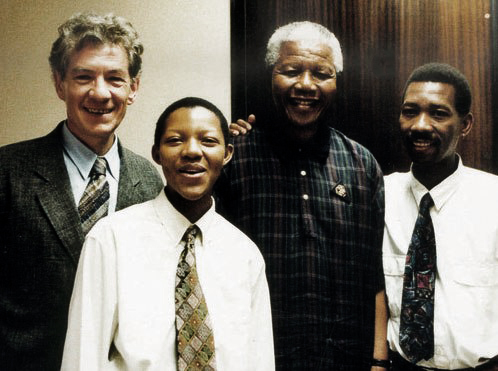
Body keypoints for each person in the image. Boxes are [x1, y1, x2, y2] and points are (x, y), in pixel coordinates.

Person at [217, 21, 387, 370]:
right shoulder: (235, 159)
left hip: (345, 358)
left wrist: (379, 360)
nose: (306, 85)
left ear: (336, 82)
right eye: (291, 71)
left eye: (321, 74)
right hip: (259, 357)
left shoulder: (361, 164)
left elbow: (374, 273)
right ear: (270, 76)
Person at [61, 97, 275, 370]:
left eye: (208, 141)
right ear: (157, 153)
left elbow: (260, 361)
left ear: (227, 153)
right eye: (175, 140)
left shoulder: (245, 255)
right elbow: (83, 356)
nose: (192, 151)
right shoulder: (112, 238)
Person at [0, 13, 163, 370]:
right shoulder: (8, 171)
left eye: (115, 78)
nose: (100, 93)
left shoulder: (149, 181)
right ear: (60, 84)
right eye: (83, 77)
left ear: (133, 88)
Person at [383, 63, 498, 370]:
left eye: (438, 113)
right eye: (410, 111)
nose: (420, 125)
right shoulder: (379, 196)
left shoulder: (494, 199)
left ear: (466, 124)